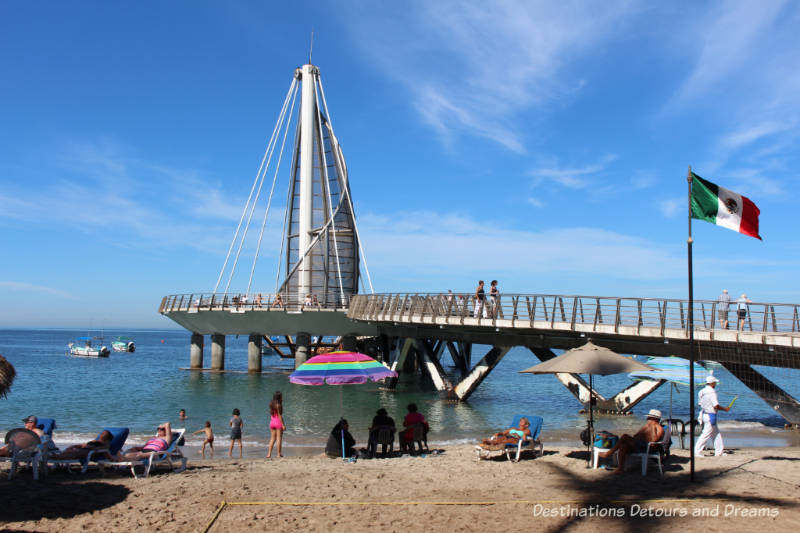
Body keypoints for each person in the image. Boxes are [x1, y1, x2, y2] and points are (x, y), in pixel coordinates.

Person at [597, 409, 664, 474]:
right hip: (639, 445)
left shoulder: (659, 428)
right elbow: (636, 435)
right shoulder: (646, 426)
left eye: (649, 418)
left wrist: (653, 427)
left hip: (647, 448)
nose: (647, 419)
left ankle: (608, 454)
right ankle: (620, 468)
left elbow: (654, 441)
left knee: (625, 436)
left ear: (654, 419)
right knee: (623, 446)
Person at [694, 375, 730, 457]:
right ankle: (697, 451)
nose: (716, 384)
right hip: (710, 415)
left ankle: (719, 452)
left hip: (704, 414)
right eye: (715, 383)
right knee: (706, 434)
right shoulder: (712, 392)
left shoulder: (701, 391)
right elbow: (716, 406)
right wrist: (725, 409)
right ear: (712, 383)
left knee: (716, 433)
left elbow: (700, 404)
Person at [266, 392, 286, 458]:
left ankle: (269, 454)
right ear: (279, 398)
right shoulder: (279, 405)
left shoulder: (271, 404)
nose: (282, 398)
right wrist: (283, 425)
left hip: (272, 422)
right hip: (278, 423)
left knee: (272, 438)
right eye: (281, 397)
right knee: (279, 438)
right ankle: (278, 454)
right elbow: (280, 416)